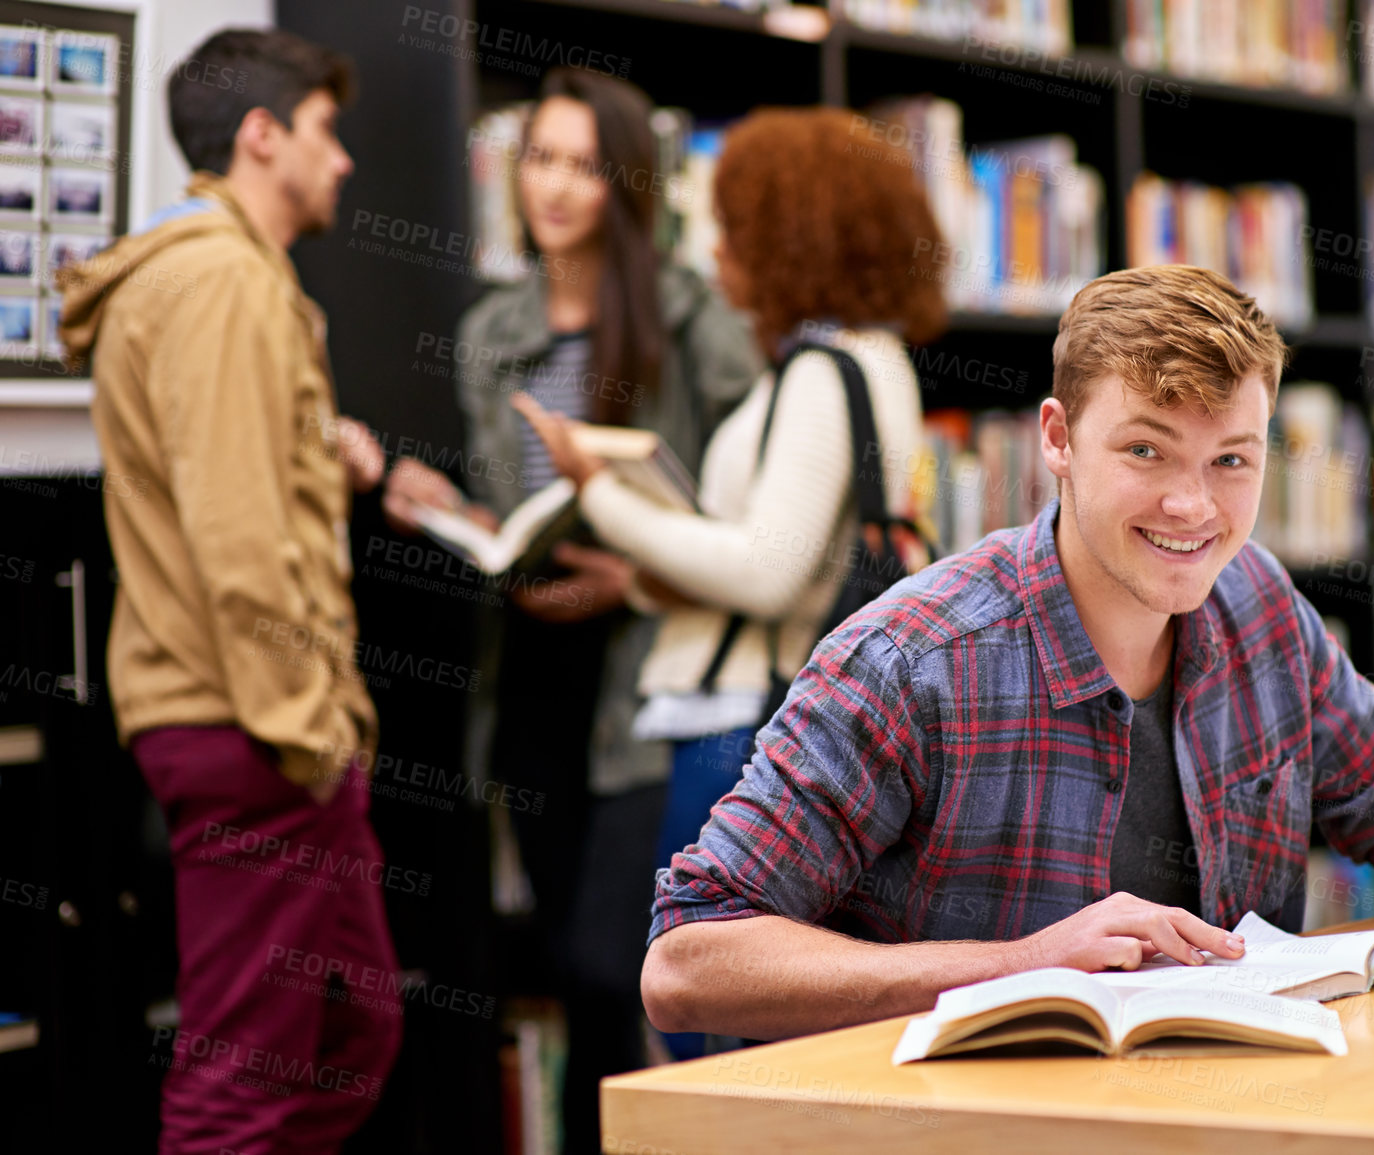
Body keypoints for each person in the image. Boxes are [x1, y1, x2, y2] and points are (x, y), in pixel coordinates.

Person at [632, 264, 1374, 1042]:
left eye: (1231, 460)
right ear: (1057, 439)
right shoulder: (910, 659)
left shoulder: (1260, 606)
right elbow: (686, 965)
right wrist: (1020, 966)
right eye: (1145, 451)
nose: (1193, 507)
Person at [380, 68, 761, 1149]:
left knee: (629, 961)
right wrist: (450, 510)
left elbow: (745, 517)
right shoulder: (494, 327)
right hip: (534, 678)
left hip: (654, 674)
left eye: (584, 164)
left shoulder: (689, 316)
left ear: (628, 182)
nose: (553, 185)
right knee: (568, 963)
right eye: (538, 156)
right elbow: (516, 510)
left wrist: (630, 575)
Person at [513, 106, 948, 1005]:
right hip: (763, 695)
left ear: (791, 238)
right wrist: (640, 577)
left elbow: (766, 569)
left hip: (737, 720)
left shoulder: (819, 373)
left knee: (696, 991)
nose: (713, 253)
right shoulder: (874, 361)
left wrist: (596, 491)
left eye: (732, 227)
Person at [58, 28, 399, 1153]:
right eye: (322, 131)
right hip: (255, 726)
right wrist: (308, 730)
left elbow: (241, 478)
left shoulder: (235, 278)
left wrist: (319, 444)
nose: (342, 160)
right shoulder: (218, 283)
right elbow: (237, 537)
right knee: (246, 1077)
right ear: (262, 137)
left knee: (345, 1035)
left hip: (260, 723)